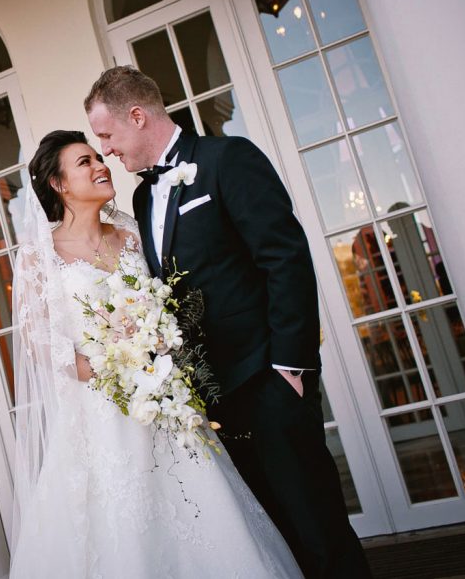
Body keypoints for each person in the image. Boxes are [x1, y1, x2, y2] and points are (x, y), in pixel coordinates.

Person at [85, 65, 370, 578]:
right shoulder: (143, 197)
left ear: (137, 115)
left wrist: (290, 367)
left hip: (268, 381)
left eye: (106, 135)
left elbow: (284, 258)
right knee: (274, 538)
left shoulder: (226, 159)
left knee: (318, 527)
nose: (106, 149)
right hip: (212, 398)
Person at [9, 129, 301, 577]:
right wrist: (103, 366)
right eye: (84, 162)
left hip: (164, 395)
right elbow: (37, 338)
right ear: (58, 184)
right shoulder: (37, 256)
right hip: (101, 410)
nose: (101, 164)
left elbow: (166, 301)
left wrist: (158, 345)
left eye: (98, 156)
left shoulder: (129, 230)